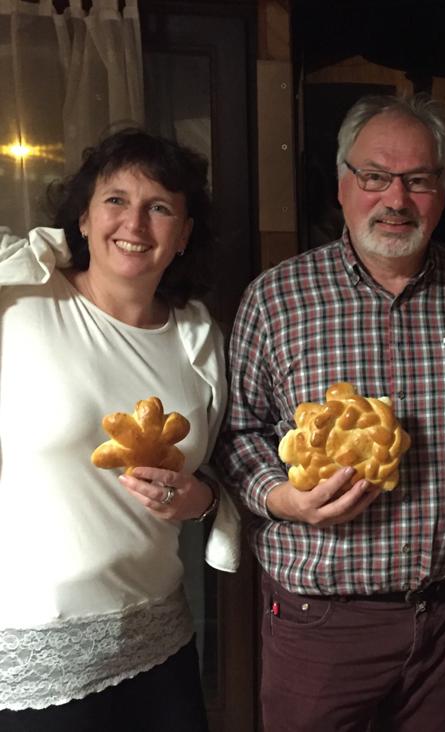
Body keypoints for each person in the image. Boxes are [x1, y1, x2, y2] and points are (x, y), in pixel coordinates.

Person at [215, 93, 445, 732]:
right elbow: (237, 435)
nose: (396, 199)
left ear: (443, 190)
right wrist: (283, 499)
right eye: (375, 177)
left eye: (418, 180)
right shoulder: (277, 298)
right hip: (322, 621)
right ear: (343, 184)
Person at [0, 129, 239, 731]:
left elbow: (207, 475)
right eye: (115, 199)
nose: (134, 221)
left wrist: (197, 499)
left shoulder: (196, 337)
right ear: (81, 216)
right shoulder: (22, 298)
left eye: (160, 207)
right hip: (35, 648)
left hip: (158, 635)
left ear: (184, 234)